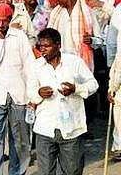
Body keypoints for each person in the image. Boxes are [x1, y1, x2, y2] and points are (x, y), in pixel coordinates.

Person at [27, 28, 99, 175]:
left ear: (58, 45)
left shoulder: (74, 62)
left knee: (73, 171)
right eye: (40, 46)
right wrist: (39, 93)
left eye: (47, 46)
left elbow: (93, 84)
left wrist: (76, 89)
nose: (43, 50)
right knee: (46, 172)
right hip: (45, 128)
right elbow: (30, 92)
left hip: (72, 128)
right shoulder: (36, 66)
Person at [0, 2, 35, 175]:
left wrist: (31, 95)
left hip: (19, 94)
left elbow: (29, 66)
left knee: (18, 139)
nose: (1, 24)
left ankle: (17, 172)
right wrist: (0, 41)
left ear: (10, 20)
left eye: (4, 21)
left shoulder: (20, 37)